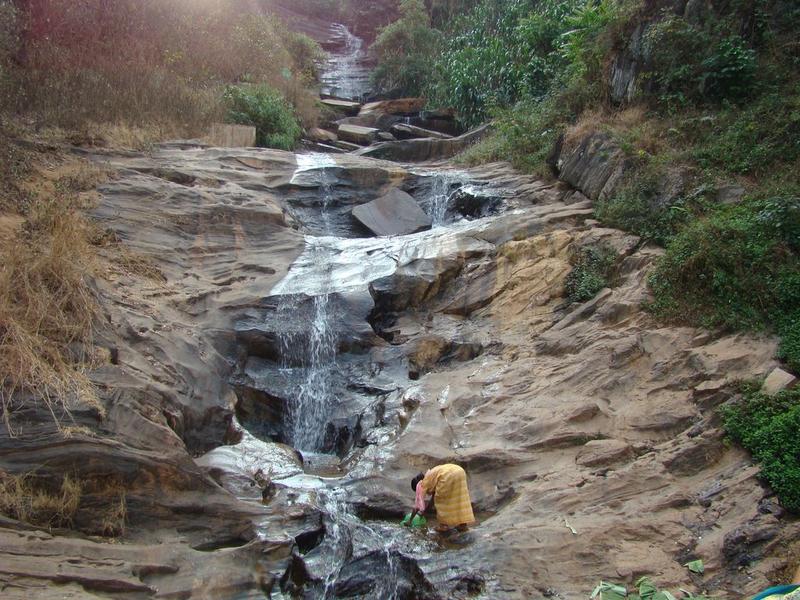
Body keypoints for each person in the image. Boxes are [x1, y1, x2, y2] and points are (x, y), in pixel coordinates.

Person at [406, 463, 475, 532]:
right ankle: (462, 525)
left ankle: (443, 526)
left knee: (441, 501)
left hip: (447, 475)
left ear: (417, 487)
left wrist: (410, 520)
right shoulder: (431, 477)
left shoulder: (421, 485)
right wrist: (424, 513)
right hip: (459, 471)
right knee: (459, 498)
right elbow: (432, 501)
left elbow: (417, 506)